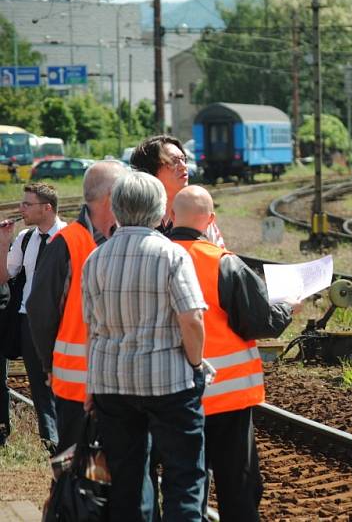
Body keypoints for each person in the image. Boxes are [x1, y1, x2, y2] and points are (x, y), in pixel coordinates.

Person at [82, 172, 207, 522]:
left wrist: (92, 384)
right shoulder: (172, 255)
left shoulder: (96, 259)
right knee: (184, 477)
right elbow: (192, 320)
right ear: (160, 210)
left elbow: (93, 329)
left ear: (117, 210)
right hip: (169, 383)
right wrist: (195, 365)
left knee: (127, 481)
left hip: (112, 383)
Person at [168, 185, 296, 521]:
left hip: (172, 394)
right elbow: (261, 320)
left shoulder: (158, 257)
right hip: (226, 397)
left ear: (170, 216)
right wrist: (287, 306)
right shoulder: (223, 263)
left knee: (184, 485)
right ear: (210, 220)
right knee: (237, 486)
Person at [27, 161, 127, 454]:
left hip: (122, 384)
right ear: (110, 197)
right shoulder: (66, 243)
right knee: (77, 472)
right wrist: (50, 364)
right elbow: (40, 311)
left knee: (121, 471)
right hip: (77, 385)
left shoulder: (123, 238)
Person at [0, 183, 66, 453]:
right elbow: (4, 276)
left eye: (27, 204)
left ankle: (67, 437)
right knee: (38, 383)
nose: (21, 209)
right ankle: (51, 441)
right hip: (29, 318)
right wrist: (4, 242)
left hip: (62, 321)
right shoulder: (26, 238)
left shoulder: (68, 236)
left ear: (46, 208)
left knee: (64, 381)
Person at [130, 135, 224, 247]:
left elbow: (219, 256)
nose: (183, 166)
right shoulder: (135, 219)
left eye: (183, 159)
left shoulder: (197, 213)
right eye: (173, 161)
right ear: (150, 170)